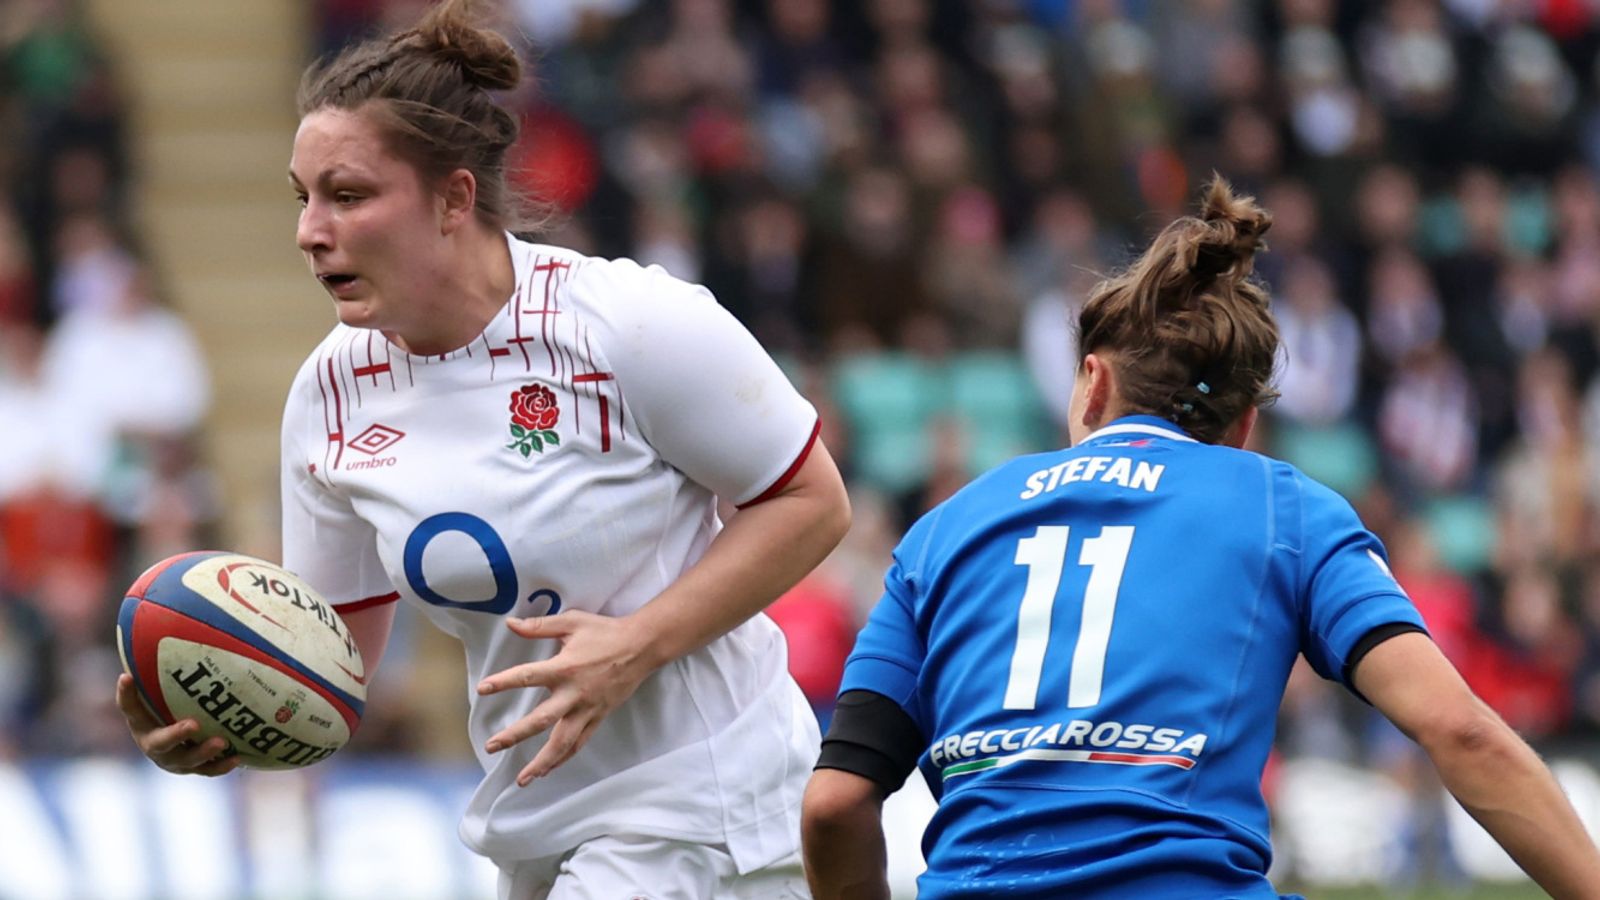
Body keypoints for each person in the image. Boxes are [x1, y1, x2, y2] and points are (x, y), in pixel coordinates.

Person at [113, 1, 850, 896]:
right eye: (302, 197)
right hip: (535, 831)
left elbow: (813, 503)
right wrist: (225, 718)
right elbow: (330, 660)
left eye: (347, 196)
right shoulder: (329, 395)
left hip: (711, 813)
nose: (311, 230)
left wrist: (637, 644)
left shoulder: (631, 324)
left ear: (454, 197)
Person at [799, 178, 1600, 899]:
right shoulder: (1285, 507)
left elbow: (835, 803)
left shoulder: (944, 529)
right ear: (1245, 428)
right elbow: (1459, 729)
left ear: (1093, 381)